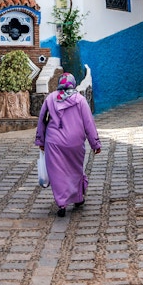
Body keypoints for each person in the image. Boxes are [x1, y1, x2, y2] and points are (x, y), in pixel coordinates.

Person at [35, 72, 101, 217]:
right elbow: (88, 123)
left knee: (57, 173)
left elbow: (42, 120)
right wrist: (95, 143)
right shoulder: (80, 100)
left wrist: (40, 141)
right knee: (75, 169)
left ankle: (62, 203)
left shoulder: (51, 98)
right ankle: (78, 198)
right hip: (75, 142)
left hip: (54, 142)